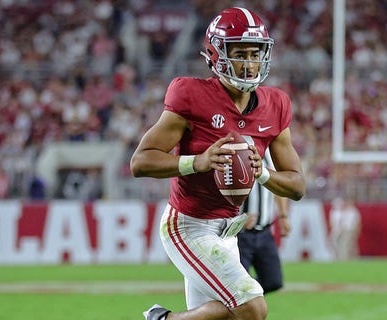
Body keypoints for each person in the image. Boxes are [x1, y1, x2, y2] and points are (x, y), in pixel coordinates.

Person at [130, 7, 305, 320]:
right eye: (239, 53)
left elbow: (297, 185)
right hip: (188, 225)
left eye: (255, 53)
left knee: (227, 313)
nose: (249, 63)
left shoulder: (276, 104)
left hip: (228, 231)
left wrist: (262, 173)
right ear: (216, 55)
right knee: (252, 306)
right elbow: (140, 162)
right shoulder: (191, 94)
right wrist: (196, 162)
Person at [237, 148, 289, 294]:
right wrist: (236, 219)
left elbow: (279, 185)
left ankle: (246, 299)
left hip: (265, 231)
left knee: (273, 281)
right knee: (238, 284)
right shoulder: (235, 148)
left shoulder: (269, 151)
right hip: (240, 235)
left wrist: (283, 216)